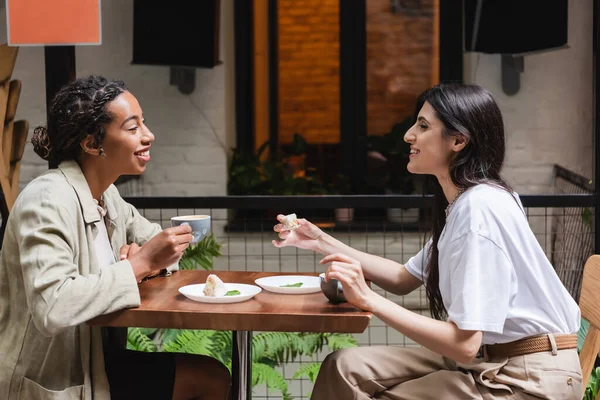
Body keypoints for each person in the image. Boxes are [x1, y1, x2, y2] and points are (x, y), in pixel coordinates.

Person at [273, 83, 582, 399]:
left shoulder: (480, 210)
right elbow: (402, 278)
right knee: (344, 366)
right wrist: (319, 241)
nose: (408, 135)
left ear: (459, 140)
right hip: (492, 359)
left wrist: (367, 298)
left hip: (529, 379)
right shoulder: (468, 203)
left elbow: (463, 344)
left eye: (422, 126)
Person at [0, 75, 231, 400]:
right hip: (51, 377)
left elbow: (158, 245)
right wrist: (138, 265)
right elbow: (52, 307)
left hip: (96, 361)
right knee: (208, 380)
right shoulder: (47, 200)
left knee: (213, 376)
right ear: (93, 143)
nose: (149, 136)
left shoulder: (108, 199)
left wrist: (147, 259)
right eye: (133, 127)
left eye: (144, 124)